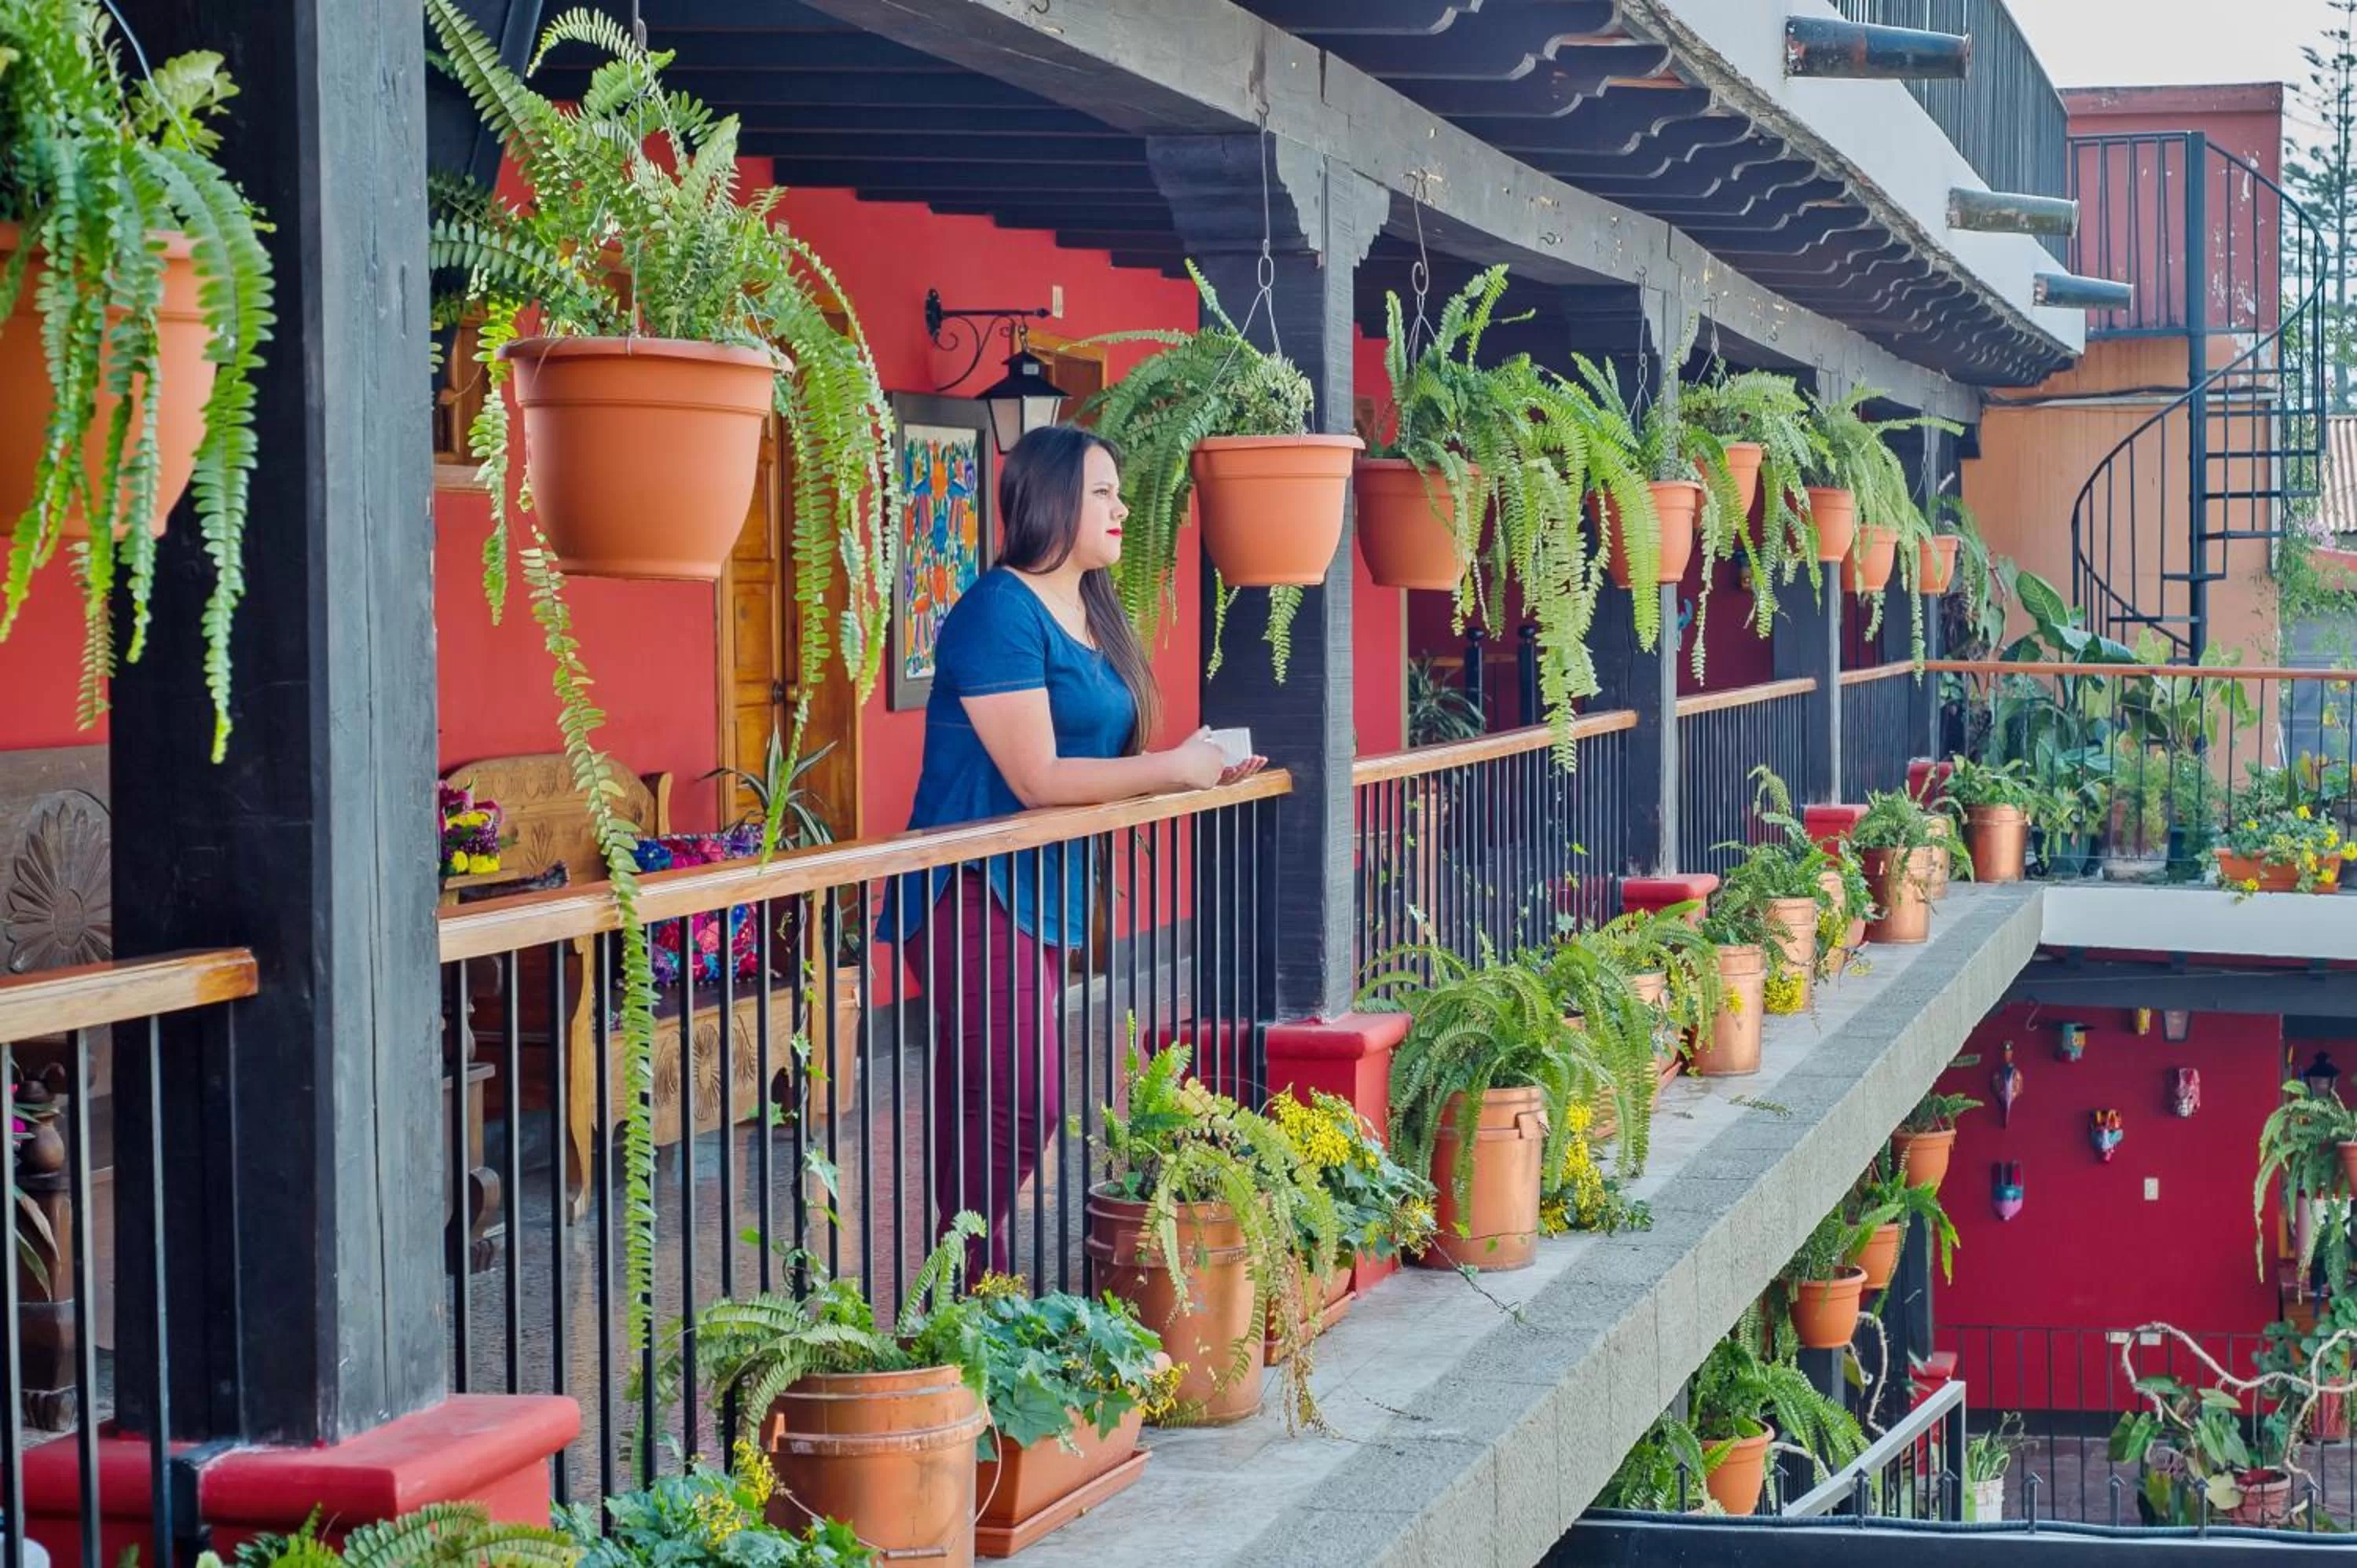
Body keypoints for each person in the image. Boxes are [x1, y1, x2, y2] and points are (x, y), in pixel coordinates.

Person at [883, 423, 1263, 1276]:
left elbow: (1109, 758)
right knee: (1028, 1098)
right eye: (1104, 492)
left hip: (1044, 891)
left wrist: (1199, 769)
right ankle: (974, 1277)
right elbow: (1040, 775)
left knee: (984, 1097)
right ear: (1053, 501)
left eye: (1121, 491)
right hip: (968, 891)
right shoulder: (996, 612)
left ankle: (967, 1292)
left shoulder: (1093, 610)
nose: (1123, 506)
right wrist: (1172, 770)